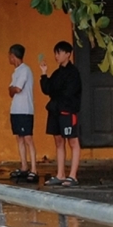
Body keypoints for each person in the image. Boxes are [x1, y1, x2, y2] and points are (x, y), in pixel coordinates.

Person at [40, 41, 82, 187]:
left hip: (67, 111)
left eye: (59, 52)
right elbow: (47, 89)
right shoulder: (57, 73)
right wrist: (44, 73)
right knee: (58, 142)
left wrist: (55, 93)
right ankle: (60, 174)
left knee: (73, 141)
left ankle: (73, 176)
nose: (56, 56)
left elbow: (68, 92)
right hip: (55, 111)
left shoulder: (73, 73)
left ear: (68, 54)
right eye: (55, 53)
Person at [8, 44, 37, 182]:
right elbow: (10, 91)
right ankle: (24, 166)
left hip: (25, 109)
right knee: (19, 138)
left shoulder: (25, 70)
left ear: (13, 56)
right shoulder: (15, 72)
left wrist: (13, 88)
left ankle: (34, 169)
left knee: (28, 139)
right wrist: (12, 89)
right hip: (16, 109)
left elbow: (16, 89)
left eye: (10, 55)